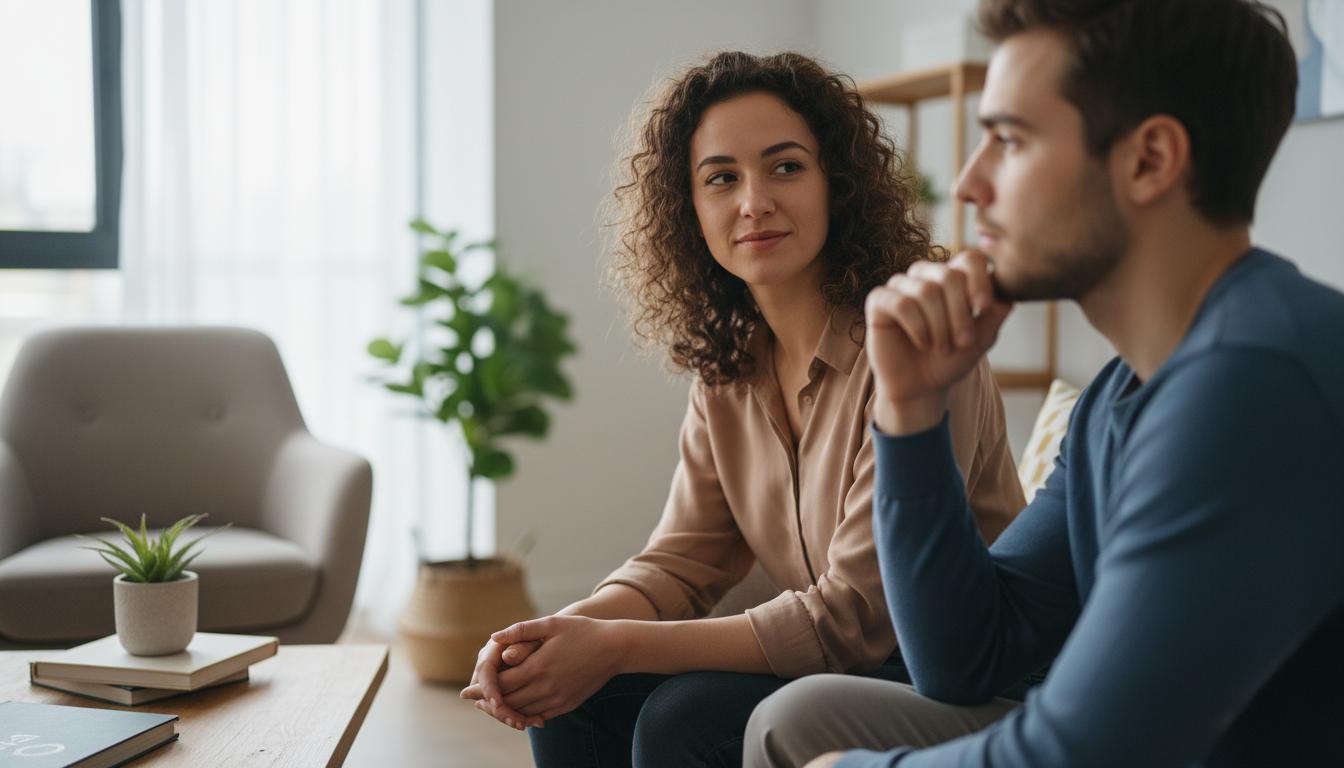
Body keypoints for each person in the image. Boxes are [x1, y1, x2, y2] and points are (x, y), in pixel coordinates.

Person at [744, 1, 1344, 766]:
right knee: (803, 721)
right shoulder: (1123, 393)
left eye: (1008, 140)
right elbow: (966, 659)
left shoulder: (1254, 384)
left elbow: (1086, 752)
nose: (968, 184)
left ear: (1150, 160)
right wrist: (909, 411)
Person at [457, 51, 1025, 767]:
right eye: (721, 178)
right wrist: (551, 637)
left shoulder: (916, 347)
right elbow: (680, 563)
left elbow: (857, 618)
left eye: (785, 167)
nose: (753, 201)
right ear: (688, 209)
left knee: (681, 720)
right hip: (838, 664)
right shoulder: (729, 369)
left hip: (943, 672)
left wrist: (615, 645)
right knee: (578, 697)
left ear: (837, 185)